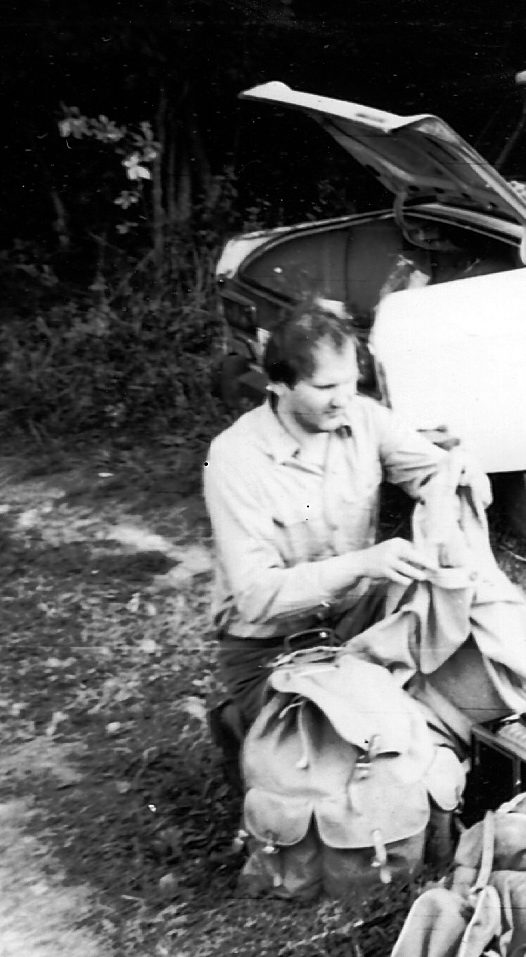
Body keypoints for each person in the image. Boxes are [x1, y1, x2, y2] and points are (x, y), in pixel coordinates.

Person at [202, 299, 486, 781]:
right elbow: (255, 597)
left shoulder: (365, 417)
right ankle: (243, 723)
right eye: (325, 388)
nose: (343, 400)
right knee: (353, 765)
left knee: (461, 670)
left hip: (357, 623)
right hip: (271, 648)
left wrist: (455, 475)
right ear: (279, 384)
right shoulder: (233, 458)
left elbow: (431, 470)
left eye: (351, 383)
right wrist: (363, 564)